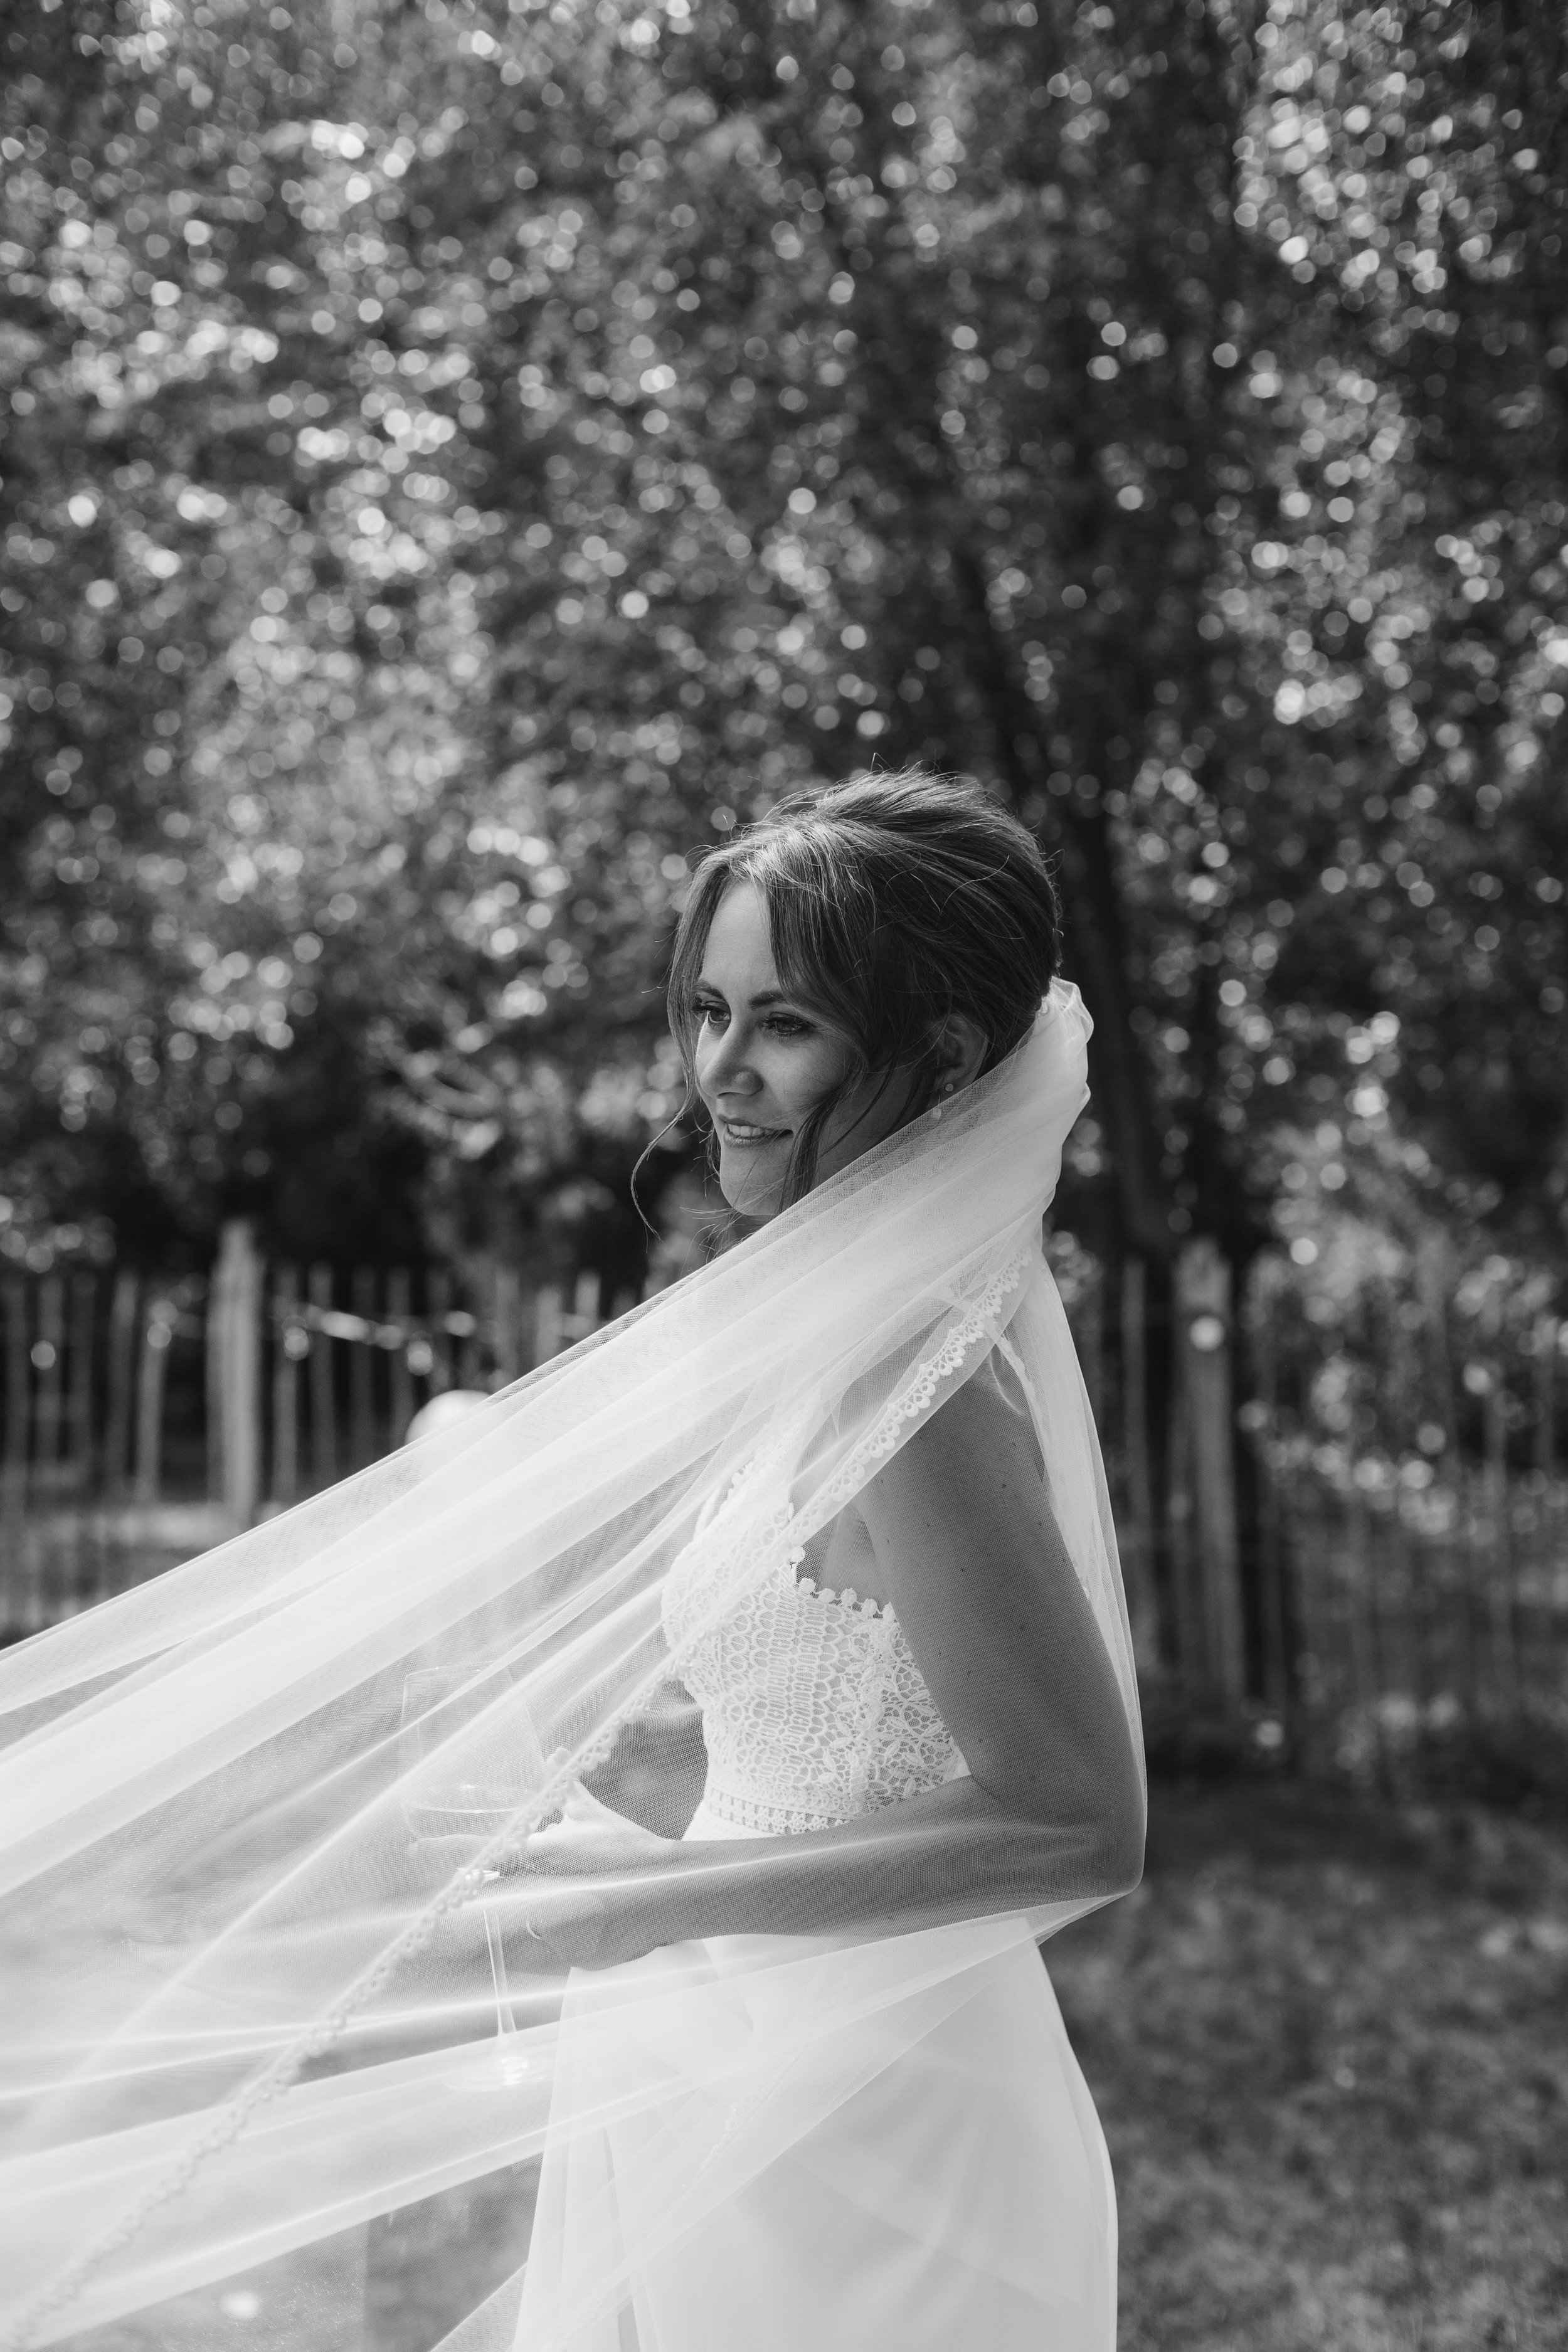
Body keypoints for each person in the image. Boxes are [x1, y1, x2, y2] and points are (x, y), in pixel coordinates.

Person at [0, 769, 1142, 2352]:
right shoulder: (828, 1334)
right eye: (707, 1008)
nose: (719, 1074)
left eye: (785, 1023)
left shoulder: (916, 1374)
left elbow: (1080, 1821)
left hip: (878, 2120)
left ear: (938, 1059)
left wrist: (649, 1905)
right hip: (712, 2054)